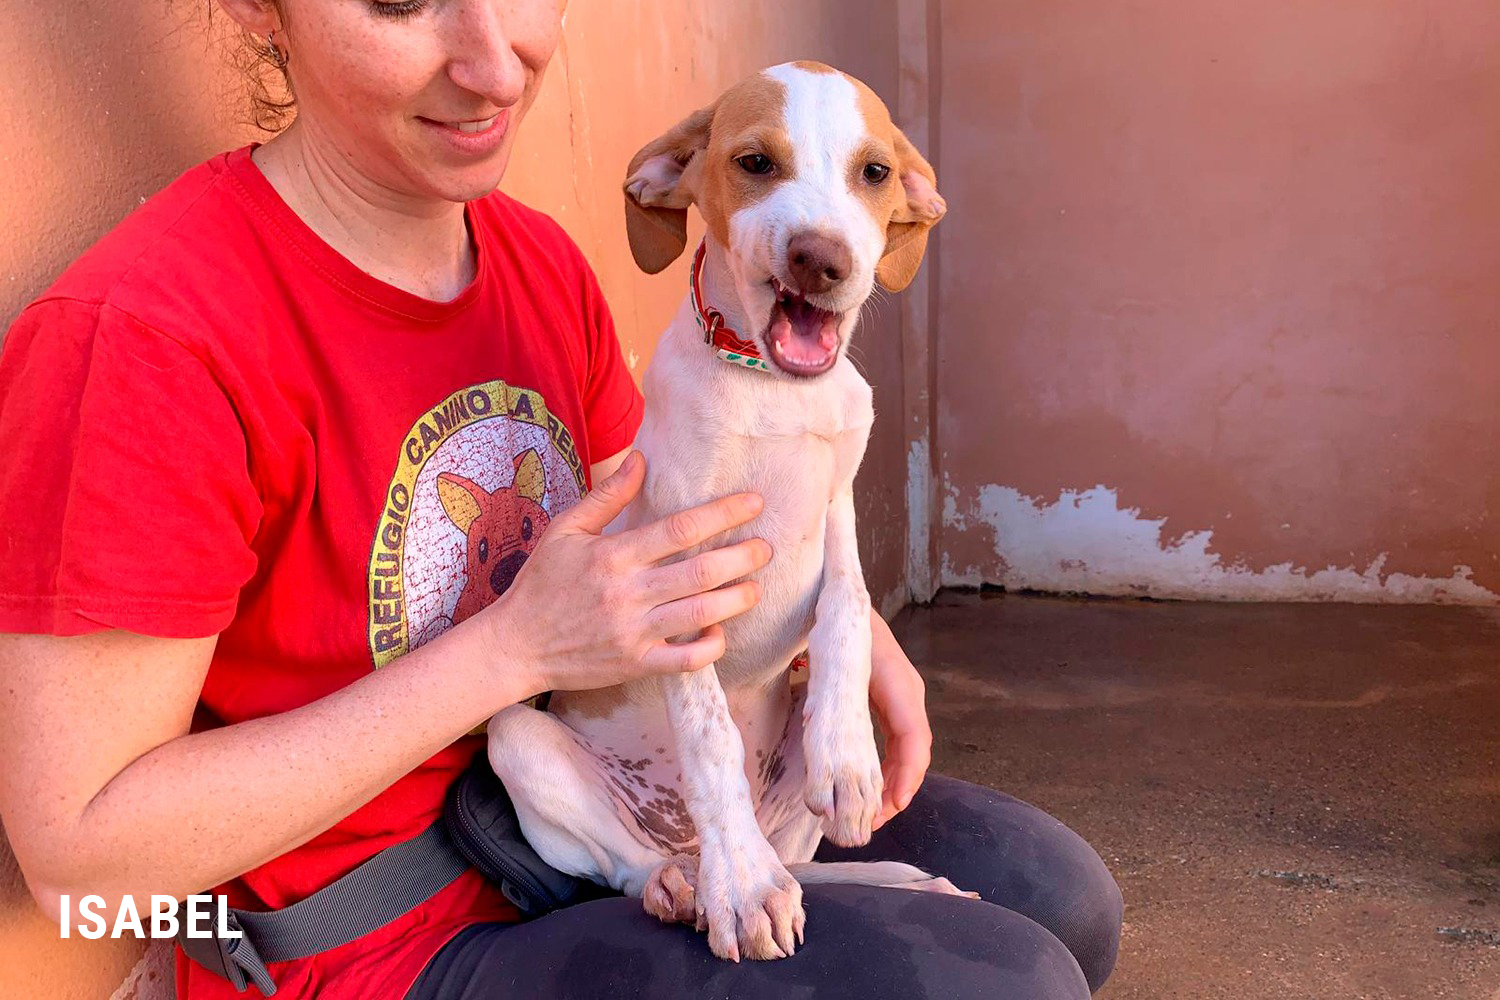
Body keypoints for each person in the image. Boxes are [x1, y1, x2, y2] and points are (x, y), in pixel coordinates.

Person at [0, 2, 1122, 998]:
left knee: (1063, 900)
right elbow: (79, 865)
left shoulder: (536, 263)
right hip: (381, 940)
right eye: (400, 0)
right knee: (1011, 982)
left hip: (622, 801)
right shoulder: (141, 339)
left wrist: (850, 626)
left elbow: (672, 529)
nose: (494, 63)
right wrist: (514, 650)